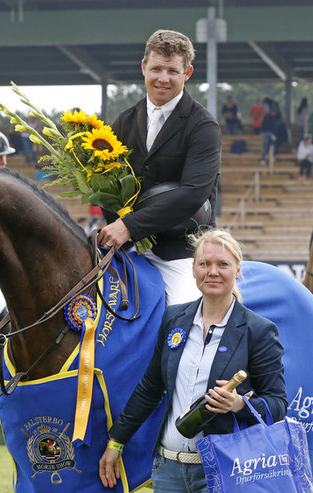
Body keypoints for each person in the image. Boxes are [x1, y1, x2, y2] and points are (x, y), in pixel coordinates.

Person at [98, 229, 287, 493]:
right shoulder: (174, 317)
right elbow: (150, 388)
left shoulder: (258, 330)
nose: (213, 271)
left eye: (222, 264)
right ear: (194, 269)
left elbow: (278, 404)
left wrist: (239, 404)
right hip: (169, 470)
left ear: (237, 270)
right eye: (204, 264)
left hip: (224, 470)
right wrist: (117, 440)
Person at [98, 29, 221, 306]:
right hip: (127, 250)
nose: (162, 78)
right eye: (156, 68)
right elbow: (106, 185)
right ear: (144, 68)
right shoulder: (123, 122)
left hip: (181, 252)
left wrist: (129, 226)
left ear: (187, 73)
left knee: (182, 317)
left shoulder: (203, 126)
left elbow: (193, 194)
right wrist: (117, 228)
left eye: (172, 71)